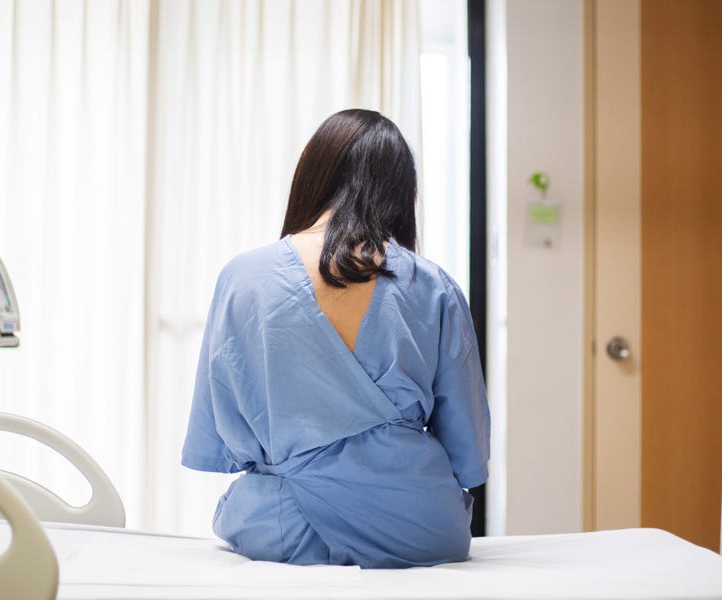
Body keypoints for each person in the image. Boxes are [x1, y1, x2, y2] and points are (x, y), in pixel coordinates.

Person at [181, 109, 490, 568]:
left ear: (313, 175)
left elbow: (223, 428)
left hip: (280, 527)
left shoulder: (243, 277)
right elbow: (467, 449)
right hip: (417, 527)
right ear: (402, 192)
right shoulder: (433, 285)